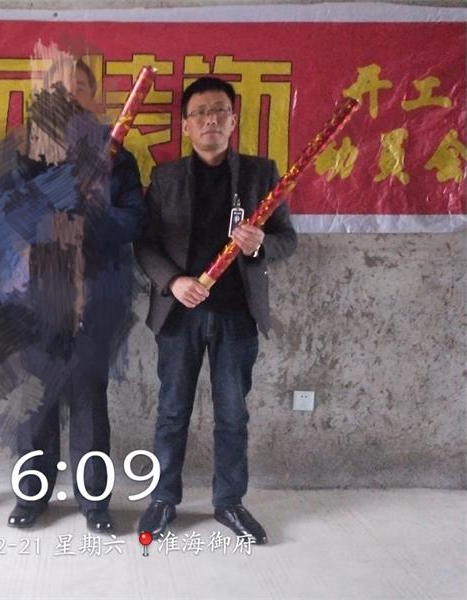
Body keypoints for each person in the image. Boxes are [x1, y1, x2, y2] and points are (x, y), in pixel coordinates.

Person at [134, 76, 297, 544]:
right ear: (186, 125)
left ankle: (229, 502)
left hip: (236, 314)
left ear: (233, 119)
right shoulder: (165, 178)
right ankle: (163, 499)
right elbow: (144, 244)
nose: (211, 120)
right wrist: (174, 281)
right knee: (171, 411)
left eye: (219, 111)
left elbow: (288, 239)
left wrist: (260, 243)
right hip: (179, 314)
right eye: (200, 113)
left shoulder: (261, 174)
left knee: (232, 414)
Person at [3, 58, 145, 533]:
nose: (70, 96)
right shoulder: (25, 151)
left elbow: (134, 220)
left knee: (89, 398)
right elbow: (6, 215)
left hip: (95, 295)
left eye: (80, 87)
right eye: (60, 88)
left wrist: (91, 216)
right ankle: (31, 496)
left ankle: (94, 502)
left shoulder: (117, 154)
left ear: (93, 97)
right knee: (36, 400)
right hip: (35, 296)